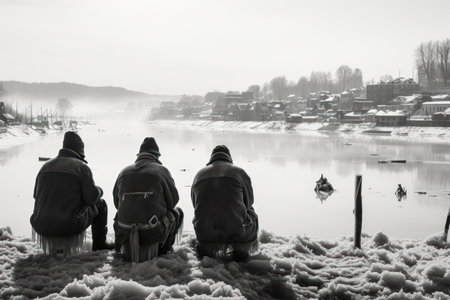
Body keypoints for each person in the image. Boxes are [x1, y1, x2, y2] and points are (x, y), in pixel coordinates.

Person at [31, 131, 113, 251]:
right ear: (80, 151)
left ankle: (57, 246)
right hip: (67, 225)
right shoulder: (81, 167)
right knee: (101, 204)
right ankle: (99, 245)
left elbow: (35, 196)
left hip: (40, 224)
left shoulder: (45, 166)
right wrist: (99, 191)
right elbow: (92, 198)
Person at [113, 137, 183, 260]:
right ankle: (162, 249)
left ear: (139, 155)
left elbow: (116, 203)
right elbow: (173, 202)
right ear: (157, 156)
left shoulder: (123, 172)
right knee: (178, 212)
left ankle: (121, 247)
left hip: (125, 232)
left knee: (119, 214)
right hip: (151, 233)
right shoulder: (162, 171)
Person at [191, 145, 258, 260]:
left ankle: (205, 249)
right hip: (236, 232)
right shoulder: (239, 172)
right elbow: (249, 201)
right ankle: (240, 250)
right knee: (252, 212)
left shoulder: (199, 175)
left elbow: (195, 204)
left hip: (205, 233)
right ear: (229, 159)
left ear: (211, 159)